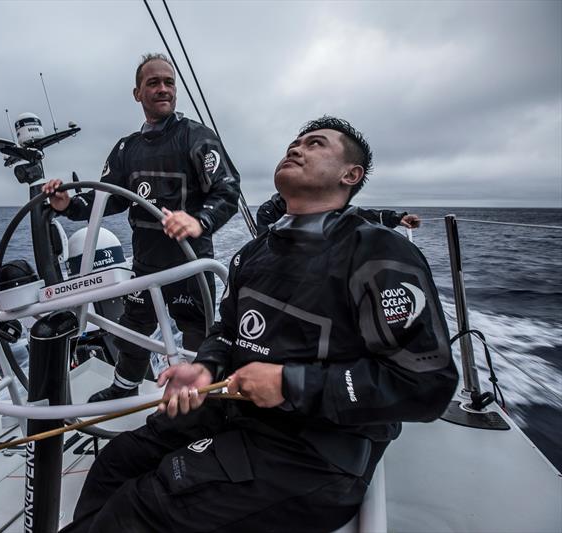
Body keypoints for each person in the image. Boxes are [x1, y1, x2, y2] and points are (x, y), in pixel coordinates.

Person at [61, 116, 458, 533]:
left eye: (316, 143)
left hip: (313, 451)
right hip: (234, 413)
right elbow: (226, 332)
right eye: (296, 141)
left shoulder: (376, 252)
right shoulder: (253, 254)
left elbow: (425, 386)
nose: (297, 147)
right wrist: (206, 367)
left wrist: (290, 383)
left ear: (350, 174)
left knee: (139, 508)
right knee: (116, 461)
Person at [42, 53, 241, 402]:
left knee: (199, 337)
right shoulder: (126, 149)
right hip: (147, 265)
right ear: (137, 93)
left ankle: (206, 401)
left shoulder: (196, 137)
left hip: (191, 266)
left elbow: (227, 189)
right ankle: (125, 385)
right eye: (153, 83)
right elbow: (107, 199)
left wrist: (199, 221)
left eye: (168, 82)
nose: (163, 89)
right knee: (133, 330)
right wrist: (67, 205)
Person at [256, 191, 421, 233]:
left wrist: (397, 218)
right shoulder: (268, 211)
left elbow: (362, 215)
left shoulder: (322, 204)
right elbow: (265, 244)